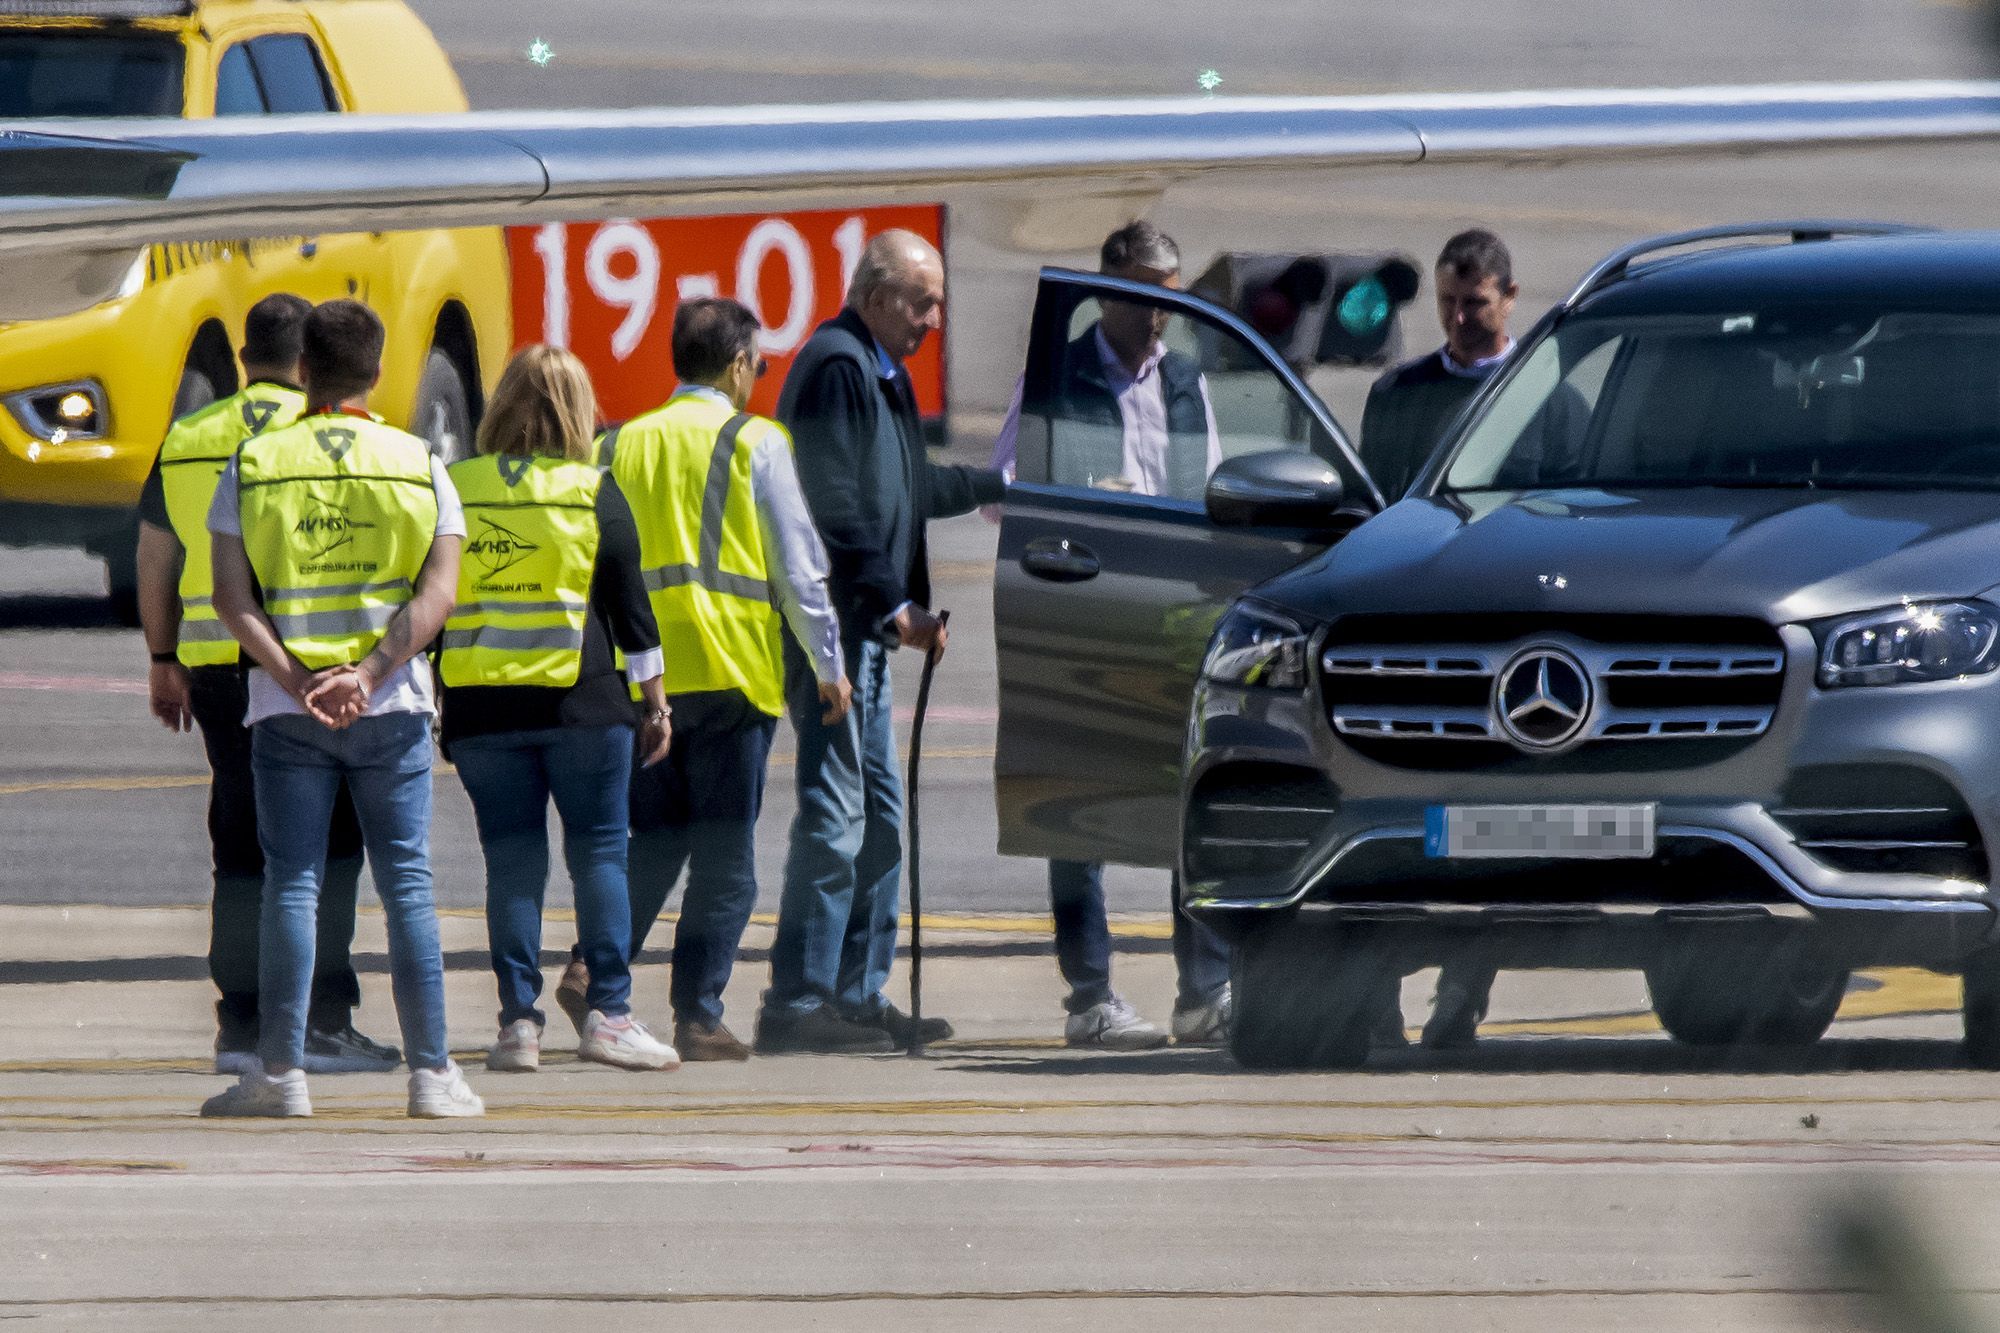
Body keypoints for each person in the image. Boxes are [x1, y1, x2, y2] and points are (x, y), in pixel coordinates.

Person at [200, 299, 481, 1119]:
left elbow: (229, 597)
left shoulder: (253, 464)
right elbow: (439, 595)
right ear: (379, 372)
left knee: (292, 883)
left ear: (304, 371)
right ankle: (432, 1073)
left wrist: (298, 678)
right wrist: (369, 670)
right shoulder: (419, 462)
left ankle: (281, 1072)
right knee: (408, 885)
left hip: (287, 712)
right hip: (389, 706)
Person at [562, 298, 850, 1062]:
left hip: (639, 679)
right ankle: (698, 1011)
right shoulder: (755, 440)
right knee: (726, 858)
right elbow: (799, 566)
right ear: (735, 365)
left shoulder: (616, 445)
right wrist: (829, 664)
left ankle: (593, 963)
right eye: (758, 361)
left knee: (649, 842)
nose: (760, 375)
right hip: (730, 674)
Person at [136, 292, 399, 1076]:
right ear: (308, 358)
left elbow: (156, 553)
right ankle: (322, 1014)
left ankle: (241, 1023)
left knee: (240, 843)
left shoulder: (188, 435)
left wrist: (162, 656)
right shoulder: (318, 430)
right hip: (303, 667)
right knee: (329, 846)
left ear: (245, 357)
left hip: (215, 670)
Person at [989, 221, 1236, 1049]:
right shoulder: (1058, 377)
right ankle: (1089, 992)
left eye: (1170, 299)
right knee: (1079, 806)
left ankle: (1202, 987)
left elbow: (1213, 487)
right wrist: (1088, 494)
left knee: (1185, 804)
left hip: (1171, 616)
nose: (1159, 317)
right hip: (1085, 611)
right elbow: (1002, 488)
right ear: (1107, 289)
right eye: (1145, 298)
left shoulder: (1185, 380)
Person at [757, 229, 1005, 1054]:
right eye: (920, 300)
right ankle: (798, 998)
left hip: (866, 634)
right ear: (874, 294)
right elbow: (831, 499)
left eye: (937, 302)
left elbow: (913, 483)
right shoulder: (837, 365)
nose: (934, 317)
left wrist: (1002, 484)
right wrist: (896, 605)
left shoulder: (884, 373)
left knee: (883, 820)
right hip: (833, 634)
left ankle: (857, 994)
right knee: (834, 817)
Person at [438, 346, 677, 1075]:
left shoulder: (455, 485)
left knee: (511, 861)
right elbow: (633, 612)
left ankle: (518, 1023)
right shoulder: (593, 490)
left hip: (481, 709)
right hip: (585, 707)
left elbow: (432, 594)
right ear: (580, 412)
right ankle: (608, 1013)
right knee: (601, 849)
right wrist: (657, 705)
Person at [1358, 228, 1540, 1050]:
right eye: (1448, 303)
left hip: (1512, 641)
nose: (1460, 319)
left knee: (1496, 836)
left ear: (1509, 300)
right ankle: (1372, 991)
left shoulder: (1545, 393)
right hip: (1415, 640)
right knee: (1397, 824)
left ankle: (1464, 989)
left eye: (1475, 303)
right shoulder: (1400, 394)